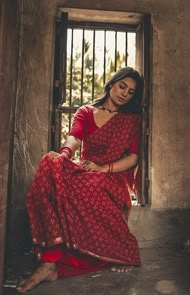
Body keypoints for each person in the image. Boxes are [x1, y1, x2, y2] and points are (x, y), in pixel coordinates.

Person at [16, 67, 144, 293]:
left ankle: (116, 251)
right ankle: (49, 261)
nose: (125, 93)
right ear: (111, 84)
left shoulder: (131, 120)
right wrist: (64, 154)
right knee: (50, 162)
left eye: (131, 92)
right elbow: (74, 137)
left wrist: (104, 168)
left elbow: (134, 157)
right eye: (122, 86)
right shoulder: (86, 111)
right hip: (86, 167)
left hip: (112, 174)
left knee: (93, 183)